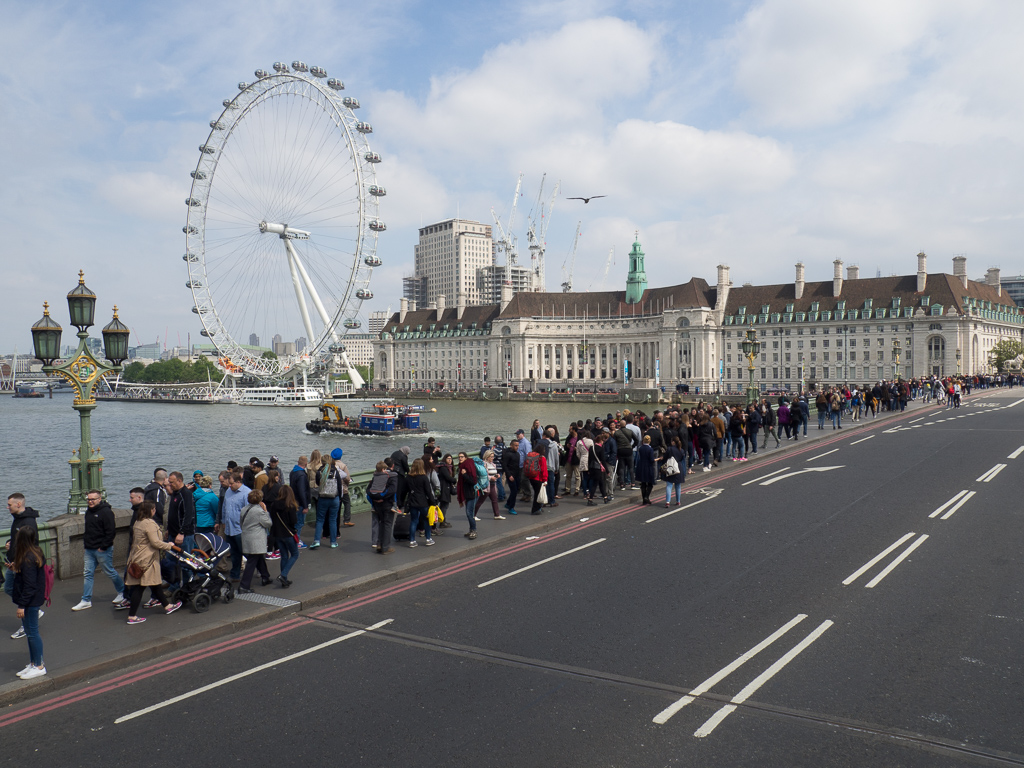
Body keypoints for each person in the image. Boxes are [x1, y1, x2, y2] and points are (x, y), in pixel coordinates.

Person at [125, 501, 182, 624]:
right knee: (140, 587)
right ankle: (132, 616)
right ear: (151, 510)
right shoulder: (149, 524)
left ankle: (167, 606)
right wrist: (169, 545)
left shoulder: (138, 522)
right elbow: (155, 542)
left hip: (137, 556)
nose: (155, 510)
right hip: (147, 559)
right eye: (154, 508)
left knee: (154, 584)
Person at [72, 490, 126, 611]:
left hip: (102, 549)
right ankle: (86, 599)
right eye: (89, 499)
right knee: (88, 573)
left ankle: (122, 591)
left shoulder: (106, 512)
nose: (90, 502)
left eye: (93, 499)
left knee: (109, 571)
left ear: (99, 499)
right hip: (89, 549)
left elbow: (111, 531)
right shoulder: (88, 512)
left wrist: (103, 547)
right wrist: (87, 544)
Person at [10, 526, 47, 678]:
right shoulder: (35, 553)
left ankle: (38, 666)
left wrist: (21, 606)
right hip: (33, 600)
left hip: (30, 602)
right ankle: (34, 663)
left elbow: (30, 585)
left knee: (32, 633)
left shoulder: (27, 559)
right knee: (31, 633)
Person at [4, 494, 39, 611]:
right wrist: (10, 542)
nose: (7, 507)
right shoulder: (17, 518)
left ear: (18, 504)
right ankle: (32, 610)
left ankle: (30, 610)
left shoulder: (28, 522)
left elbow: (32, 543)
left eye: (9, 505)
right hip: (13, 561)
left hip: (21, 563)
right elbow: (18, 537)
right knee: (8, 588)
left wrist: (20, 562)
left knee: (20, 590)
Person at [238, 490, 273, 593]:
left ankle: (265, 576)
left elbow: (241, 524)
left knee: (258, 558)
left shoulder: (244, 509)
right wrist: (266, 511)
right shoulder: (259, 511)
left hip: (246, 537)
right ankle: (244, 585)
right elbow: (268, 523)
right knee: (252, 562)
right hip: (256, 540)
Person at [218, 471, 250, 580]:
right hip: (229, 528)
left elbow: (249, 512)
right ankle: (235, 575)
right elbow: (224, 508)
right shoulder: (228, 491)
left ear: (238, 482)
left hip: (240, 529)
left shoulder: (246, 493)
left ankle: (257, 572)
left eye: (231, 484)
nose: (229, 486)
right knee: (234, 554)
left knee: (246, 553)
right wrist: (223, 521)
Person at [313, 448, 346, 549]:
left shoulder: (319, 472)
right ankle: (333, 542)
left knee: (320, 520)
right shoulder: (336, 472)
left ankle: (317, 541)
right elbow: (339, 486)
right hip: (334, 498)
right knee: (333, 520)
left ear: (322, 462)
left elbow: (318, 483)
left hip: (323, 498)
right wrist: (339, 498)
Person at [269, 485, 300, 587]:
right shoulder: (290, 505)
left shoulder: (274, 505)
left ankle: (284, 581)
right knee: (295, 554)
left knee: (284, 556)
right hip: (288, 534)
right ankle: (283, 575)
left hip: (277, 534)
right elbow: (293, 521)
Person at [404, 459, 437, 548]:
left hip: (412, 502)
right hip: (423, 502)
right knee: (426, 520)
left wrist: (401, 503)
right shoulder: (423, 477)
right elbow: (428, 491)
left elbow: (405, 491)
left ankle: (412, 540)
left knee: (414, 521)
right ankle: (428, 539)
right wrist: (433, 502)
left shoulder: (408, 477)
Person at [367, 461, 398, 554]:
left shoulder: (375, 477)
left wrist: (375, 498)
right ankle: (386, 547)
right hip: (387, 504)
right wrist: (382, 497)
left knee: (381, 523)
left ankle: (379, 544)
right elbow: (393, 490)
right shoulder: (391, 477)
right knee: (387, 525)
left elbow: (368, 490)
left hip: (377, 505)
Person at [456, 452, 479, 539]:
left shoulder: (468, 466)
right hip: (468, 493)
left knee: (469, 513)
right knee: (469, 513)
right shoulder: (462, 466)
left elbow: (473, 481)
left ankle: (474, 530)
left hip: (472, 493)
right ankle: (471, 530)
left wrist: (464, 475)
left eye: (462, 457)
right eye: (459, 457)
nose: (460, 458)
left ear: (465, 457)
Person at [290, 455, 311, 543]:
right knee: (299, 523)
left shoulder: (293, 472)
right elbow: (302, 491)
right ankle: (297, 541)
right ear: (306, 464)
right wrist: (305, 506)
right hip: (300, 503)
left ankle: (293, 540)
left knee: (294, 522)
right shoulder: (302, 475)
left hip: (293, 501)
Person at [525, 441, 549, 515]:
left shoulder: (532, 457)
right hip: (539, 478)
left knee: (536, 493)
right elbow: (544, 470)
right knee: (537, 494)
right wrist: (545, 480)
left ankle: (539, 507)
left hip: (531, 477)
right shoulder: (542, 458)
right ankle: (535, 509)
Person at [481, 450, 505, 519]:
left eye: (493, 456)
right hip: (486, 485)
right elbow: (483, 475)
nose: (492, 458)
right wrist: (491, 477)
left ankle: (497, 515)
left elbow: (493, 473)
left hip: (492, 484)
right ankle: (473, 514)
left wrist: (496, 475)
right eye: (491, 457)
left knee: (494, 500)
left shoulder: (493, 464)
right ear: (487, 457)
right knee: (481, 501)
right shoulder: (484, 464)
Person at [662, 437, 686, 508]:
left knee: (669, 485)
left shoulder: (669, 449)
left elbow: (665, 457)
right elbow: (682, 459)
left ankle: (667, 502)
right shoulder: (681, 450)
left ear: (673, 442)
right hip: (678, 467)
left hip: (671, 467)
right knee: (678, 485)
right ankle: (678, 501)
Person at [635, 435, 657, 504]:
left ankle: (644, 499)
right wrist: (658, 459)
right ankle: (646, 497)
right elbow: (651, 460)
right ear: (649, 441)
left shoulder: (641, 448)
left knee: (643, 483)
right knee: (650, 483)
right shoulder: (650, 449)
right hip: (648, 467)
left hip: (641, 466)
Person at [502, 440, 521, 516]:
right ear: (511, 445)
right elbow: (505, 466)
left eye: (518, 445)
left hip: (517, 475)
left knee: (515, 491)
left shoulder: (517, 454)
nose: (517, 447)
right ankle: (511, 507)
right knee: (513, 491)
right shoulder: (508, 454)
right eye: (515, 445)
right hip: (511, 476)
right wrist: (509, 475)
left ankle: (508, 504)